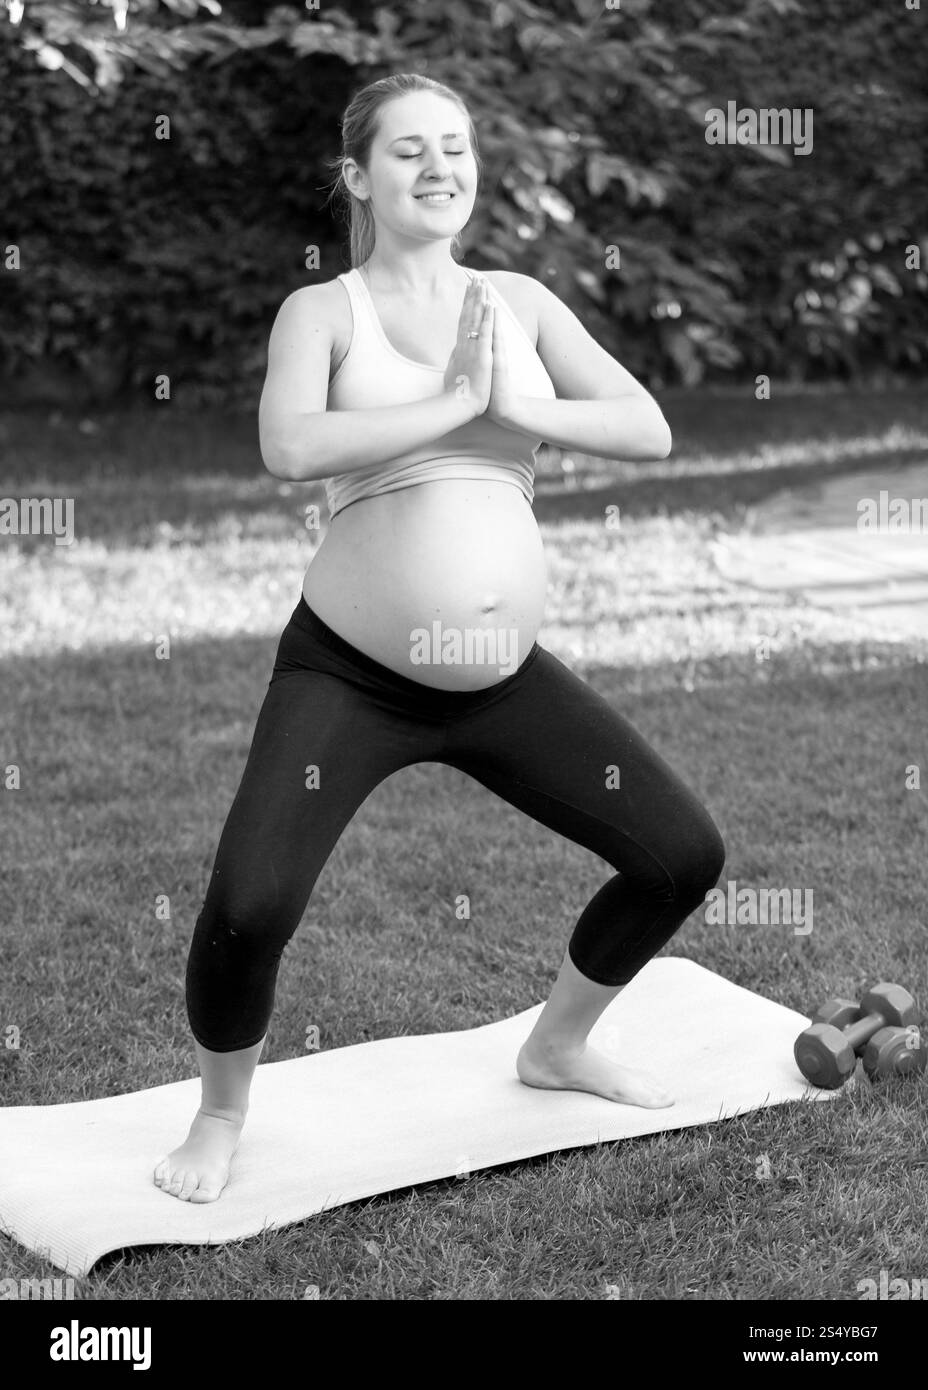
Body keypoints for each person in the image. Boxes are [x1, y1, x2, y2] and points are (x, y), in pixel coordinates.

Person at [154, 73, 725, 1204]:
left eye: (455, 147)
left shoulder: (518, 299)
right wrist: (455, 398)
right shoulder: (321, 311)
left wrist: (513, 407)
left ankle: (556, 1046)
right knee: (249, 907)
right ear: (358, 177)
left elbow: (645, 426)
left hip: (502, 681)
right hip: (351, 676)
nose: (438, 168)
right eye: (408, 150)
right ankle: (221, 1114)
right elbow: (291, 447)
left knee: (679, 854)